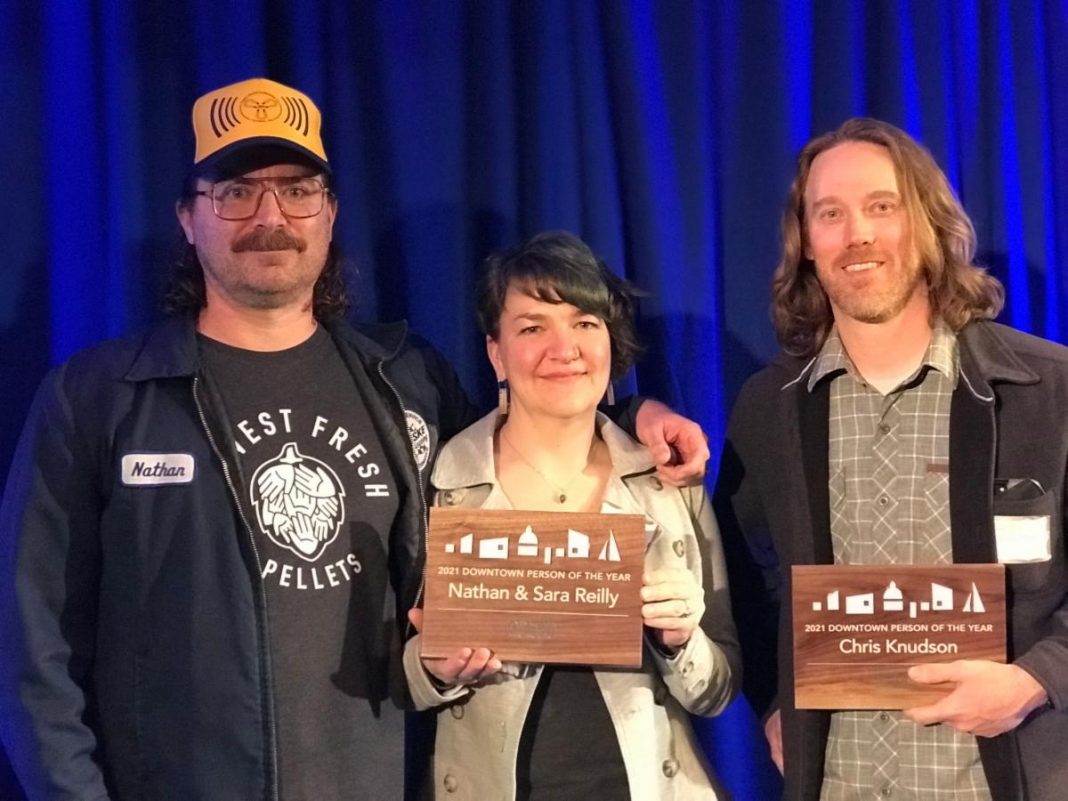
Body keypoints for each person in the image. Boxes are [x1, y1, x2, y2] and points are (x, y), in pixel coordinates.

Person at [0, 79, 710, 801]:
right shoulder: (101, 398)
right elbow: (32, 650)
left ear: (330, 212)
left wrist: (631, 417)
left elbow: (528, 439)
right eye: (236, 191)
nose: (271, 215)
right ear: (188, 217)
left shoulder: (406, 381)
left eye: (298, 189)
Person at [713, 116, 1068, 801]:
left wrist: (1035, 679)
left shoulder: (1047, 392)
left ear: (929, 224)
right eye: (830, 214)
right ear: (807, 244)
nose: (858, 235)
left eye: (882, 206)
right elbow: (736, 572)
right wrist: (771, 696)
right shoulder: (769, 408)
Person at [403, 231, 741, 800]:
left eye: (585, 323)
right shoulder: (439, 486)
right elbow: (394, 683)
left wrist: (681, 641)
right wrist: (435, 668)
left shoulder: (668, 482)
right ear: (496, 353)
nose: (565, 348)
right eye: (533, 327)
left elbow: (718, 692)